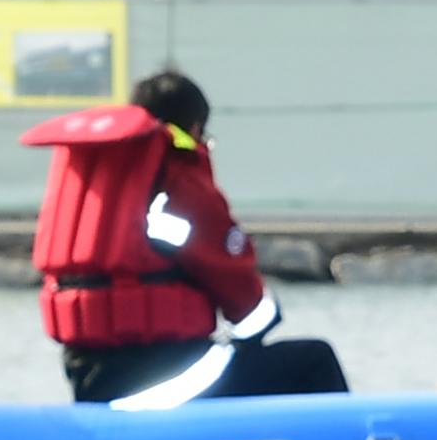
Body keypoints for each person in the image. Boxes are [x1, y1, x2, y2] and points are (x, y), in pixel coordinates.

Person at [24, 72, 349, 405]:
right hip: (170, 382)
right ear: (193, 128)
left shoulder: (95, 183)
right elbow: (247, 309)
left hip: (89, 383)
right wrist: (255, 328)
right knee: (314, 360)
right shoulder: (179, 179)